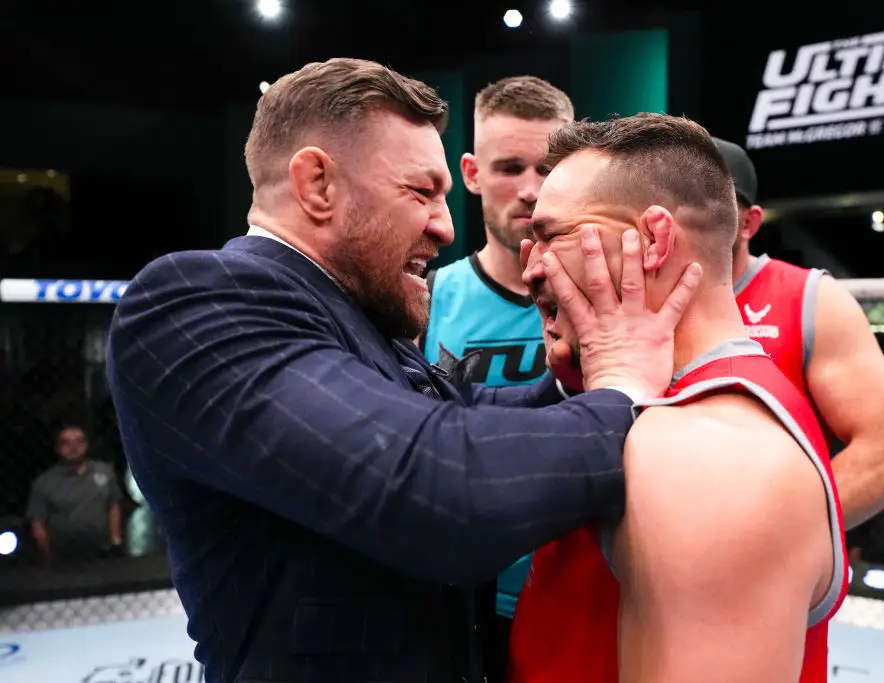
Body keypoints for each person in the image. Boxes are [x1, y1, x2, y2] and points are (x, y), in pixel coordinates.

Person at [104, 58, 701, 683]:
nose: (445, 226)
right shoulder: (197, 300)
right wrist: (623, 388)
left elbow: (468, 415)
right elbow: (442, 488)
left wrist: (579, 370)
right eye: (420, 192)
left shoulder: (353, 317)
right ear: (317, 185)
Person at [508, 114, 848, 683]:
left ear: (654, 241)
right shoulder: (667, 408)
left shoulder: (710, 453)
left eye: (550, 235)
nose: (531, 269)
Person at [418, 75, 574, 676]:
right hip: (460, 597)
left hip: (586, 586)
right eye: (510, 167)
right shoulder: (426, 300)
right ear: (473, 173)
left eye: (549, 167)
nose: (532, 190)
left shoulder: (614, 302)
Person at [716, 137, 884, 542]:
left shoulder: (809, 299)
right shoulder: (641, 298)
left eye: (708, 201)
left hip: (755, 566)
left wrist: (764, 542)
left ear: (750, 222)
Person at [27, 423, 123, 565]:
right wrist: (48, 556)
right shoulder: (44, 483)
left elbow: (113, 505)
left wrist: (115, 539)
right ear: (58, 448)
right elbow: (37, 523)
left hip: (103, 552)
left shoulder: (105, 472)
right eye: (66, 443)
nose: (74, 447)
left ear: (87, 444)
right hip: (63, 557)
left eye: (79, 441)